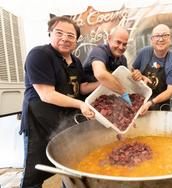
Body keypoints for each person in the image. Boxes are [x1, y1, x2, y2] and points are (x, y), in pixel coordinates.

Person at [19, 16, 98, 187]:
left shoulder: (75, 61)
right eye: (59, 33)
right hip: (38, 123)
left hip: (63, 123)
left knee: (69, 167)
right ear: (49, 34)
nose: (65, 38)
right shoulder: (39, 55)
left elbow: (82, 87)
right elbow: (47, 94)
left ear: (76, 40)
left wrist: (106, 82)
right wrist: (81, 104)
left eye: (71, 35)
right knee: (34, 172)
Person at [131, 24, 172, 114]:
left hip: (160, 108)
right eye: (157, 36)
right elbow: (132, 70)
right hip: (139, 103)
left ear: (170, 38)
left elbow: (171, 91)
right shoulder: (144, 52)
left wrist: (150, 103)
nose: (161, 39)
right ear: (152, 39)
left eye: (165, 35)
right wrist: (140, 76)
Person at [83, 26, 132, 105]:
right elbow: (100, 74)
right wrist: (123, 92)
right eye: (118, 42)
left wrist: (138, 76)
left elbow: (126, 80)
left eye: (124, 44)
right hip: (89, 101)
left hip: (108, 99)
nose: (121, 47)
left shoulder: (123, 59)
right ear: (109, 39)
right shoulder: (99, 51)